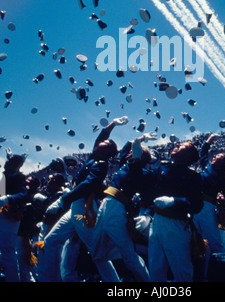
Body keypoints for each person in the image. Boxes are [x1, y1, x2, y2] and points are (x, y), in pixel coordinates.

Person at [37, 117, 128, 282]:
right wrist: (112, 124)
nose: (101, 142)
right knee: (51, 241)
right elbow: (100, 137)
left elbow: (88, 184)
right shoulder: (93, 158)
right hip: (76, 207)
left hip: (84, 208)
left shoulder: (100, 164)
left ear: (106, 151)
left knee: (97, 252)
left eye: (106, 143)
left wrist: (63, 200)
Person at [91, 132, 158, 282]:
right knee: (96, 253)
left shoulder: (139, 169)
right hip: (107, 205)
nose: (129, 153)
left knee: (130, 257)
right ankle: (123, 250)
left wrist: (141, 139)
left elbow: (134, 148)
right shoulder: (126, 165)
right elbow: (126, 150)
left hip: (115, 208)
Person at [148, 140, 203, 282]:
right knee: (156, 267)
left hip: (176, 224)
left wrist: (174, 201)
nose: (176, 145)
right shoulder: (162, 168)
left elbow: (196, 204)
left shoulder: (193, 177)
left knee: (182, 270)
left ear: (187, 155)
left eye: (181, 146)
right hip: (157, 221)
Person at [193, 134, 225, 258]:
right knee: (195, 238)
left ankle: (224, 266)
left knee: (212, 240)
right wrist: (209, 139)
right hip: (193, 204)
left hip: (207, 207)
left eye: (218, 157)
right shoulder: (206, 166)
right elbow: (203, 153)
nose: (214, 156)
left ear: (223, 163)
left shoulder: (223, 177)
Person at [0, 152, 30, 281]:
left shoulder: (19, 177)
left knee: (7, 251)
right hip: (2, 215)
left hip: (10, 217)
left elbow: (23, 195)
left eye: (9, 161)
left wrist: (7, 199)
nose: (6, 162)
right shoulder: (6, 176)